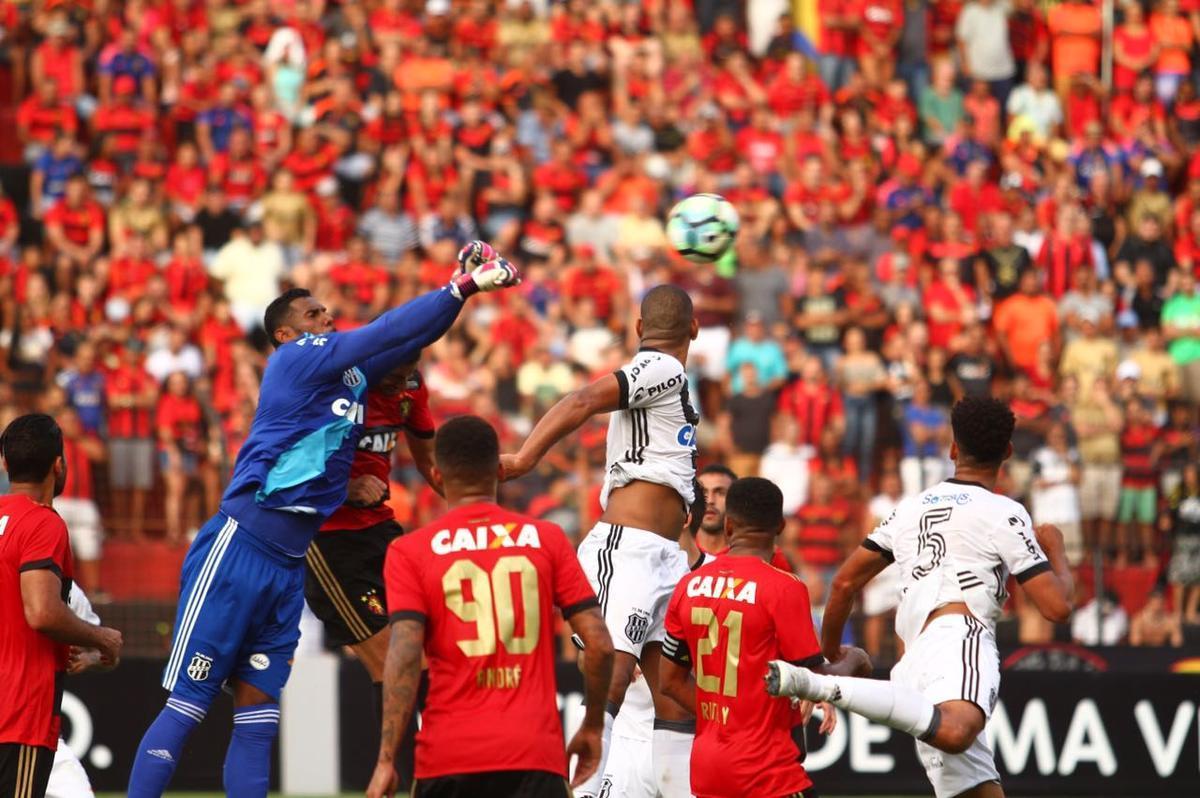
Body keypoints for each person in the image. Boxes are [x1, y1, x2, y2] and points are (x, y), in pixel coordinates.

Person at [127, 244, 519, 797]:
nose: (326, 317)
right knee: (189, 705)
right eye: (313, 314)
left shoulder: (348, 376)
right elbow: (384, 329)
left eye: (325, 311)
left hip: (287, 566)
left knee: (257, 719)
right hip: (240, 547)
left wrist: (459, 283)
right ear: (285, 334)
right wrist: (464, 287)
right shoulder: (294, 360)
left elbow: (407, 340)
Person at [768, 396, 1074, 798]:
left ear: (953, 450)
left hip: (914, 657)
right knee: (958, 731)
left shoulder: (909, 509)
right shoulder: (1006, 512)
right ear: (1008, 452)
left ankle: (825, 681)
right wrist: (1056, 550)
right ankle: (823, 687)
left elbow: (843, 585)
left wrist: (832, 656)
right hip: (961, 639)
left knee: (979, 791)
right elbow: (1057, 607)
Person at [501, 284, 700, 798]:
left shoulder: (662, 379)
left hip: (665, 558)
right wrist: (524, 459)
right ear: (694, 329)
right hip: (628, 550)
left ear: (639, 327)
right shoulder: (662, 366)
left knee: (674, 698)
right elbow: (583, 399)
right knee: (611, 681)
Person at [367, 416, 614, 798]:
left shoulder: (409, 551)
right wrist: (593, 726)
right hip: (533, 756)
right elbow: (599, 644)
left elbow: (404, 655)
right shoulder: (547, 538)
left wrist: (386, 758)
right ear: (500, 470)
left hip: (447, 758)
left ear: (437, 476)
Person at [660, 477, 870, 798]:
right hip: (766, 770)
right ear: (781, 527)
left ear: (729, 526)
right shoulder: (784, 587)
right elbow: (817, 681)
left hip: (707, 769)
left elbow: (669, 681)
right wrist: (856, 658)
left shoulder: (689, 585)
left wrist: (725, 718)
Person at [304, 358, 436, 743]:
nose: (401, 382)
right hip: (330, 540)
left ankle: (435, 765)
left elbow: (431, 464)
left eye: (409, 371)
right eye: (394, 373)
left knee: (422, 656)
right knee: (392, 659)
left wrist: (480, 487)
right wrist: (344, 489)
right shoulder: (330, 386)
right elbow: (280, 469)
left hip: (382, 530)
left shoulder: (412, 386)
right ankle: (393, 767)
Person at [0, 414, 123, 798]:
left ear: (4, 463)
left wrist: (91, 648)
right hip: (19, 714)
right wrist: (102, 638)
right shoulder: (43, 524)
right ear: (59, 465)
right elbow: (42, 612)